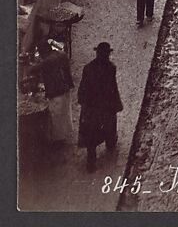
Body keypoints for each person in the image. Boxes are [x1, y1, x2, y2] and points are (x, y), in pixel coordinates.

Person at [77, 42, 122, 172]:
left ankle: (91, 161)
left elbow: (83, 86)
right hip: (106, 104)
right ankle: (110, 142)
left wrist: (83, 101)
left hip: (91, 106)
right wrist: (116, 102)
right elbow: (112, 87)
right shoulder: (111, 68)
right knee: (109, 124)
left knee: (91, 131)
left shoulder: (88, 68)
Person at [29, 38, 74, 145]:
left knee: (56, 115)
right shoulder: (61, 54)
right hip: (66, 87)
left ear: (43, 50)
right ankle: (66, 133)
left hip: (56, 90)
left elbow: (33, 69)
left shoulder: (48, 60)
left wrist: (28, 67)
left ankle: (59, 140)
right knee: (65, 112)